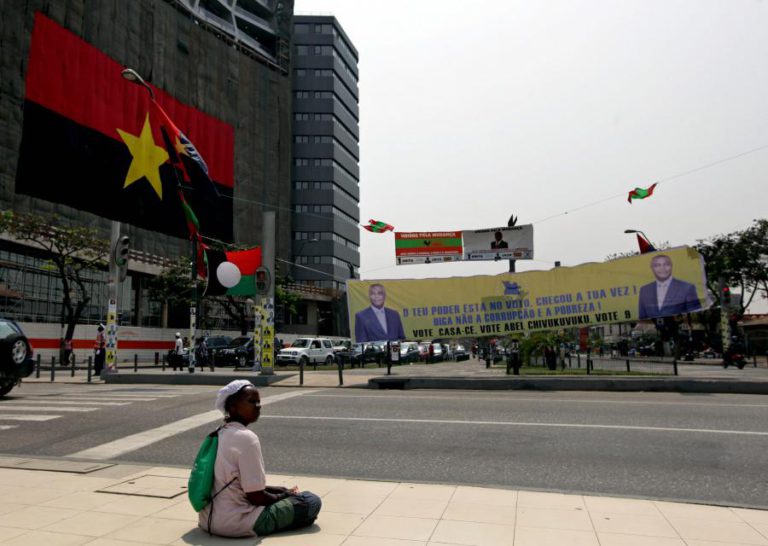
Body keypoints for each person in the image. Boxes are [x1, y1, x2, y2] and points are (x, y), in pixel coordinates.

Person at [199, 380, 321, 538]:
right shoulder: (247, 438)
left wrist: (277, 489)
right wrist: (284, 496)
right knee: (311, 500)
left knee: (287, 494)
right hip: (237, 523)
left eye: (258, 402)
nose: (258, 406)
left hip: (208, 520)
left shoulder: (218, 433)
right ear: (232, 407)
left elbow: (234, 483)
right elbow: (256, 497)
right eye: (251, 401)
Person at [638, 254, 701, 319]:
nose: (662, 268)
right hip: (652, 329)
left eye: (666, 264)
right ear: (652, 268)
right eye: (657, 265)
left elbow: (695, 315)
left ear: (671, 266)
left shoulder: (687, 287)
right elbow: (642, 318)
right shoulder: (644, 290)